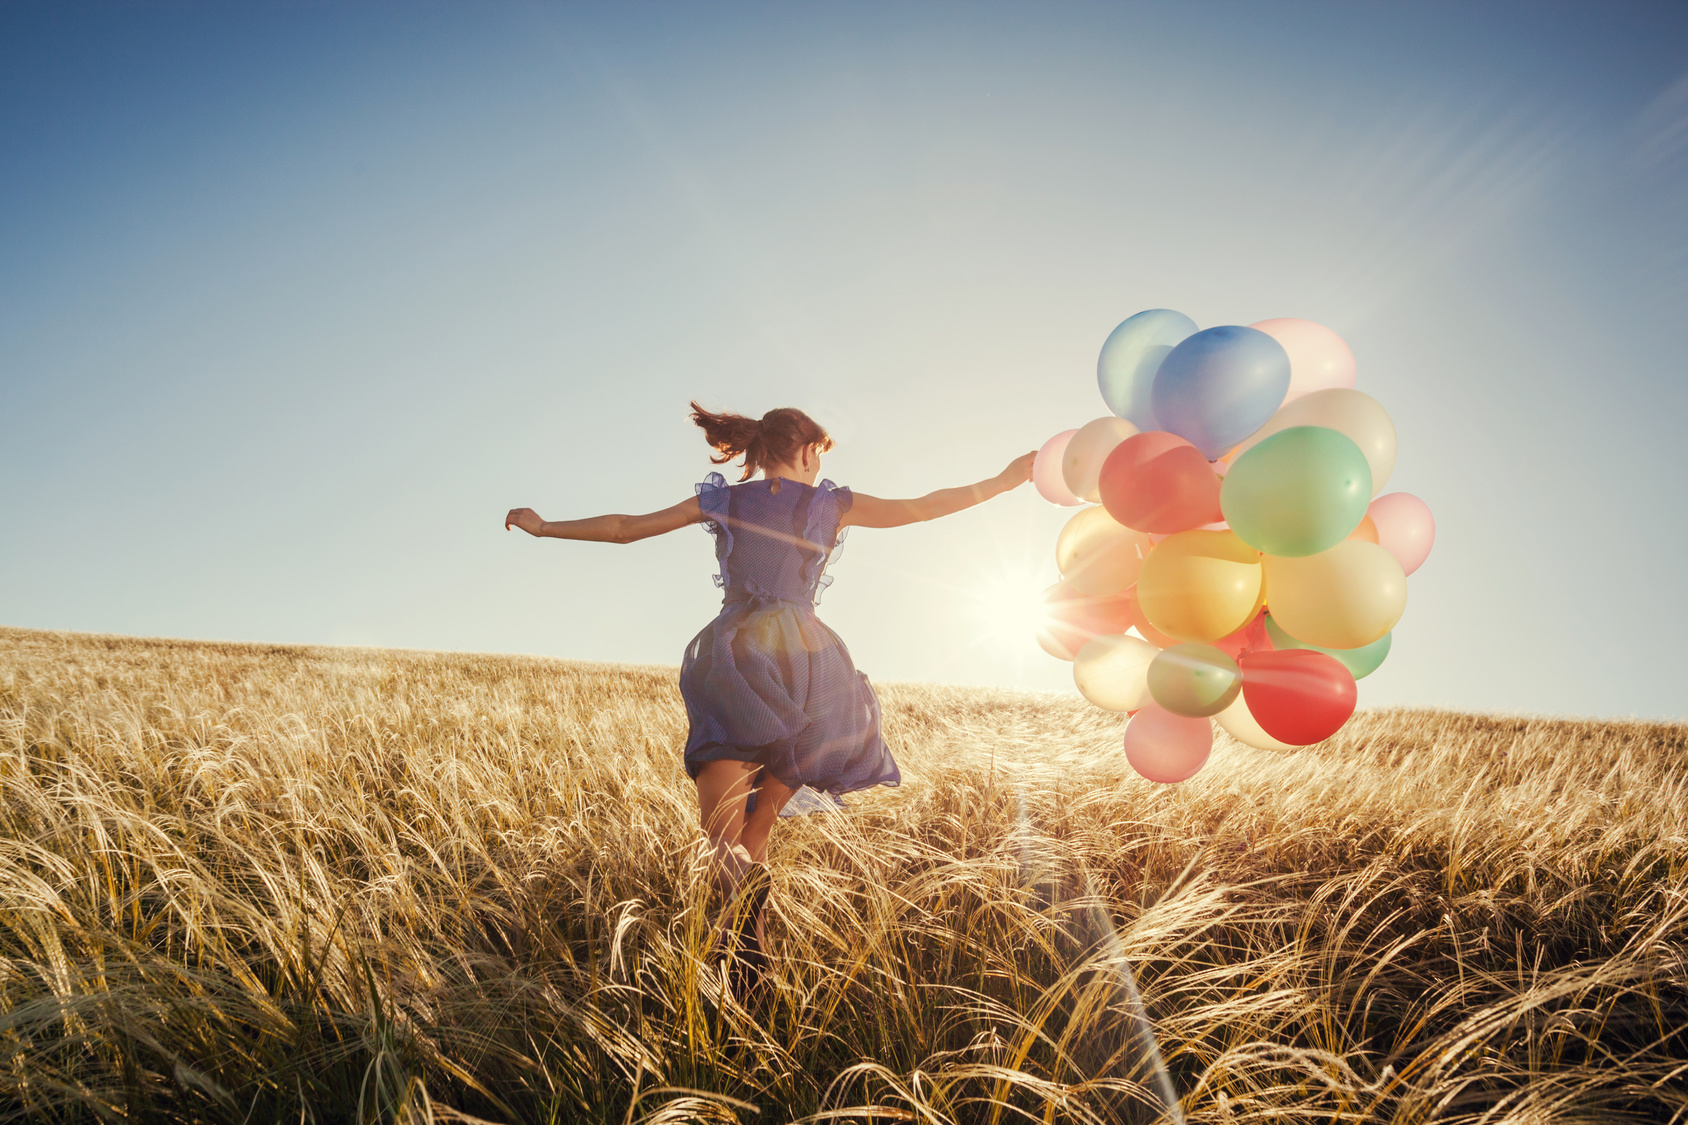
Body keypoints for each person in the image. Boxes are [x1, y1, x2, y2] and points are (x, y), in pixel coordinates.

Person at [505, 403, 1035, 998]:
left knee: (721, 843)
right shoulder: (831, 504)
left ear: (760, 450)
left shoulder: (726, 501)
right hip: (812, 667)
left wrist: (546, 527)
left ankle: (734, 972)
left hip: (734, 658)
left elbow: (628, 528)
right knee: (758, 832)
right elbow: (926, 506)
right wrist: (1008, 479)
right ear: (808, 451)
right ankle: (749, 980)